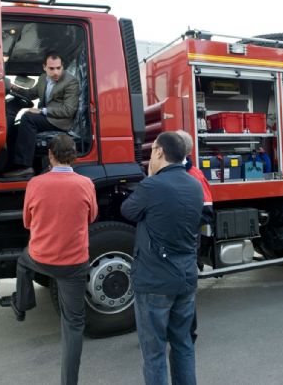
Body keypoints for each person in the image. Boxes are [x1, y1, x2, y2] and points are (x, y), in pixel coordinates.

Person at [11, 134, 98, 385]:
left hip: (40, 258)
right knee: (73, 325)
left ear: (50, 154)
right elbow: (91, 217)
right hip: (73, 265)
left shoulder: (35, 184)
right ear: (74, 156)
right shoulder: (85, 184)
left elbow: (27, 222)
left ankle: (23, 306)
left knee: (22, 261)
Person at [121, 131, 204, 385]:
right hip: (186, 276)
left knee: (154, 353)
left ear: (159, 152)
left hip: (155, 280)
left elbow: (128, 211)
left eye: (152, 151)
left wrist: (149, 177)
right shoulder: (195, 184)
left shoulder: (152, 185)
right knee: (183, 345)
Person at [4, 52, 80, 177]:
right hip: (48, 118)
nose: (55, 72)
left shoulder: (70, 82)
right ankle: (13, 165)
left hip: (60, 121)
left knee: (28, 118)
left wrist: (42, 111)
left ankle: (25, 166)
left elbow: (69, 110)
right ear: (44, 67)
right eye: (51, 68)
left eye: (58, 68)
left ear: (62, 66)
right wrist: (13, 88)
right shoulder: (43, 79)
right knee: (15, 128)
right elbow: (30, 94)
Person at [176, 129, 214, 345]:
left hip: (187, 240)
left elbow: (207, 211)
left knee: (186, 287)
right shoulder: (165, 174)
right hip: (175, 241)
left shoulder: (194, 176)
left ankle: (189, 334)